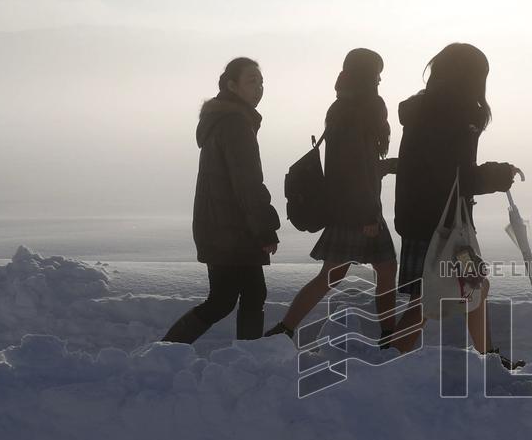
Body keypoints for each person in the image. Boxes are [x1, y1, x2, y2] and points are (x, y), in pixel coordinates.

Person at [392, 43, 523, 368]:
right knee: (432, 296)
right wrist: (497, 175)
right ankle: (389, 361)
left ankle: (488, 360)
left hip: (424, 217)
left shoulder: (428, 110)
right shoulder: (452, 115)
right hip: (440, 222)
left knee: (470, 285)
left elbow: (444, 172)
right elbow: (455, 176)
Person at [265, 49, 398, 343]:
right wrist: (368, 216)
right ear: (368, 74)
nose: (380, 77)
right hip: (360, 209)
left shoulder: (344, 106)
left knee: (336, 274)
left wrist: (387, 166)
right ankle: (389, 336)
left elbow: (355, 163)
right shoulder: (364, 108)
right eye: (377, 71)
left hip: (349, 205)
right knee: (382, 269)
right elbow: (355, 166)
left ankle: (285, 328)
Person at [162, 57, 281, 343]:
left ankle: (168, 350)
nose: (259, 88)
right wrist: (264, 228)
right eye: (251, 81)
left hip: (220, 226)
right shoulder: (236, 124)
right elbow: (248, 183)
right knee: (231, 299)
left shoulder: (225, 120)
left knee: (234, 297)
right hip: (231, 229)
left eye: (261, 81)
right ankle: (168, 349)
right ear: (232, 85)